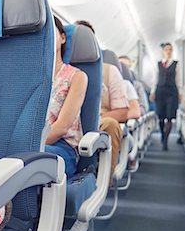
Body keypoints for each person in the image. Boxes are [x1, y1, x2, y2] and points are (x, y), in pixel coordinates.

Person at [75, 20, 129, 180]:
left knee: (111, 125)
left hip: (98, 120)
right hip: (64, 122)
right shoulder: (57, 66)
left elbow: (122, 111)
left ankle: (104, 181)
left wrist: (93, 120)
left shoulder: (109, 71)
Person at [45, 16, 88, 178]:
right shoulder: (31, 76)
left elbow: (62, 126)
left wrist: (29, 144)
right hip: (30, 144)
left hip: (62, 147)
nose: (46, 37)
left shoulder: (77, 77)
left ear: (63, 38)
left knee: (23, 161)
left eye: (51, 32)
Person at [150, 42, 182, 151]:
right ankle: (163, 135)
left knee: (170, 117)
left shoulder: (176, 64)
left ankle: (166, 141)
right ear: (163, 51)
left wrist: (180, 93)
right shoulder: (158, 64)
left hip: (172, 92)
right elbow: (155, 79)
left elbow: (179, 80)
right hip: (160, 91)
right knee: (160, 117)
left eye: (170, 50)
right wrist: (152, 92)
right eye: (166, 50)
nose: (168, 52)